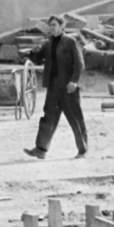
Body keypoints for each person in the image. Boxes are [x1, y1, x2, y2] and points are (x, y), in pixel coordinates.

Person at [25, 14, 88, 159]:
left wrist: (74, 81)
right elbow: (37, 58)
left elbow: (80, 64)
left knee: (75, 118)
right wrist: (33, 52)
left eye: (54, 25)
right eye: (50, 25)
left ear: (62, 26)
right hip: (53, 87)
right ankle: (41, 149)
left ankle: (83, 149)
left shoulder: (71, 42)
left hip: (68, 87)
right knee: (49, 117)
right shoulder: (48, 43)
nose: (52, 28)